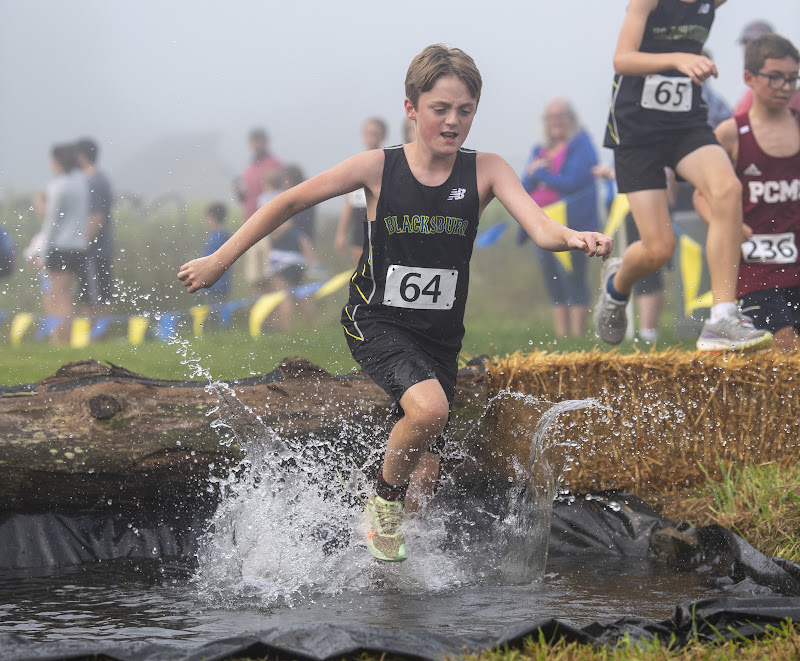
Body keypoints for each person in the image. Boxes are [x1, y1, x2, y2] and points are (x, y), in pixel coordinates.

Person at [179, 44, 613, 562]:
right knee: (429, 410)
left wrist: (574, 237)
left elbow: (541, 228)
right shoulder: (378, 169)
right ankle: (379, 503)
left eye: (465, 111)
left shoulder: (487, 171)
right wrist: (220, 261)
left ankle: (389, 585)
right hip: (376, 320)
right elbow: (289, 201)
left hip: (439, 337)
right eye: (440, 109)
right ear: (411, 108)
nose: (453, 122)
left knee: (424, 481)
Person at [594, 0, 772, 352]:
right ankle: (616, 287)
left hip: (685, 123)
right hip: (637, 130)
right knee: (658, 248)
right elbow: (623, 59)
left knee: (726, 189)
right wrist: (678, 58)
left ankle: (722, 317)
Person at [695, 34, 800, 353]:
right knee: (785, 346)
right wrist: (727, 226)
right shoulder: (730, 133)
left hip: (796, 263)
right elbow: (701, 196)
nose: (785, 86)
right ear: (749, 78)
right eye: (775, 77)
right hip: (754, 270)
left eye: (792, 78)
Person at [521, 98, 599, 338]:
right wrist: (534, 175)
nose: (556, 121)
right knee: (552, 280)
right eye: (551, 116)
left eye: (561, 115)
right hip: (540, 224)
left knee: (573, 277)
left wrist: (542, 173)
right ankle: (562, 337)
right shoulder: (539, 150)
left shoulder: (581, 144)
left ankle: (578, 337)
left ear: (571, 118)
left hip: (572, 225)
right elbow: (522, 187)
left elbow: (574, 181)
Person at [41, 143, 89, 344]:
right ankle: (62, 338)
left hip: (60, 246)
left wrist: (43, 250)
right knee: (66, 293)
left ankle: (60, 340)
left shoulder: (59, 185)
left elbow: (52, 221)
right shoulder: (81, 181)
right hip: (78, 246)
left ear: (58, 161)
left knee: (58, 295)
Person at [259, 165, 317, 332]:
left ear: (290, 180)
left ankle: (286, 333)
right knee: (301, 294)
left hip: (282, 256)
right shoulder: (309, 200)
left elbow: (285, 224)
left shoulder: (290, 201)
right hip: (299, 257)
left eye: (284, 180)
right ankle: (313, 329)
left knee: (283, 296)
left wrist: (273, 232)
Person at [335, 117, 388, 264]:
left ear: (383, 136)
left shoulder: (388, 161)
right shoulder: (355, 163)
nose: (372, 137)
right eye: (369, 133)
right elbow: (348, 201)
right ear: (363, 135)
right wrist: (341, 233)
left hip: (380, 218)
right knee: (360, 267)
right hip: (359, 218)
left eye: (376, 133)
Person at [234, 128, 281, 291]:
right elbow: (248, 196)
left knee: (272, 274)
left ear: (265, 141)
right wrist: (240, 194)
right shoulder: (249, 167)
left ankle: (281, 314)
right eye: (253, 141)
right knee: (256, 277)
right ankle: (264, 316)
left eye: (259, 140)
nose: (256, 144)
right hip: (250, 224)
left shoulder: (274, 164)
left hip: (269, 225)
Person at [75, 138, 114, 317]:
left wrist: (83, 245)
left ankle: (97, 339)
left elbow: (96, 217)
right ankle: (94, 339)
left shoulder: (94, 182)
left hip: (94, 251)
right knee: (91, 297)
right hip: (97, 250)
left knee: (95, 299)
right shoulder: (96, 179)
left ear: (82, 156)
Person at [733, 20, 800, 117]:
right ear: (748, 78)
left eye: (792, 78)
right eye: (747, 43)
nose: (786, 88)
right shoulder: (748, 101)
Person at [202, 202, 232, 303]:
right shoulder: (218, 235)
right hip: (214, 283)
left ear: (212, 217)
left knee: (217, 310)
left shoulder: (219, 237)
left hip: (217, 284)